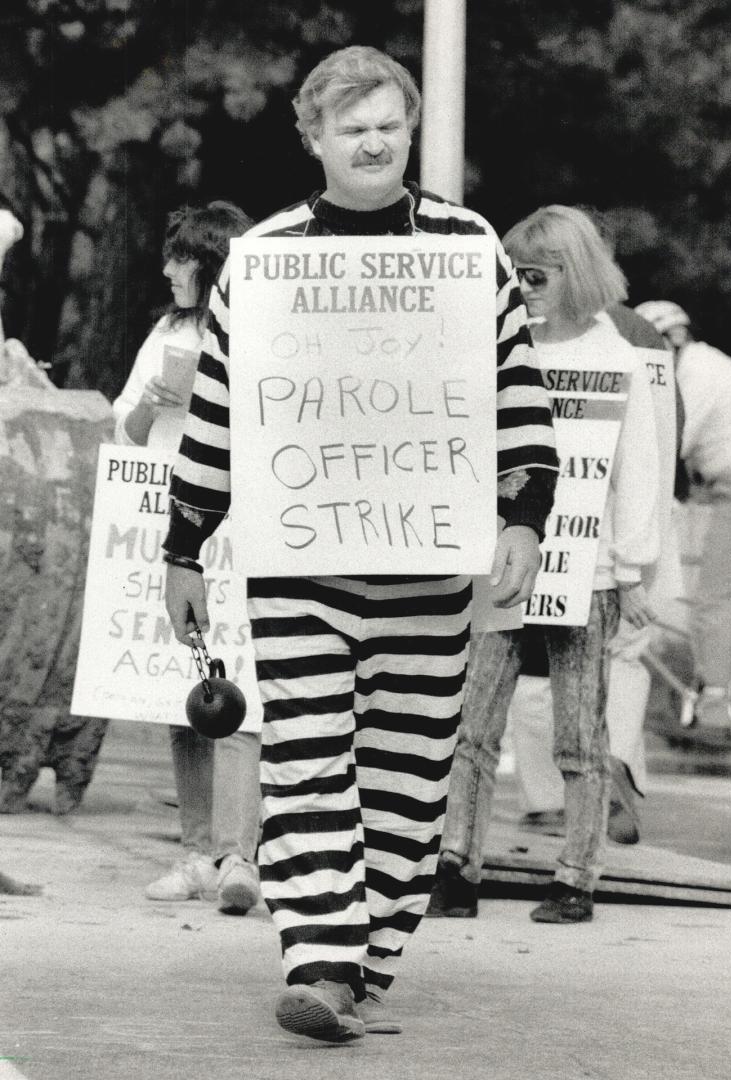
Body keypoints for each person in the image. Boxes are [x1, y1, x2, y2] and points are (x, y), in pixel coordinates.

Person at [162, 46, 558, 1043]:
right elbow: (217, 408)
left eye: (387, 123)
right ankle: (322, 960)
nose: (372, 141)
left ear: (408, 129)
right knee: (304, 758)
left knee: (407, 767)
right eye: (351, 127)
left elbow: (517, 397)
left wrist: (522, 517)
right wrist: (184, 542)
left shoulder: (468, 251)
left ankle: (370, 956)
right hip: (300, 559)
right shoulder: (263, 260)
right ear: (314, 138)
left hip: (427, 559)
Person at [428, 205, 660, 924]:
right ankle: (456, 865)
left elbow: (638, 474)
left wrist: (631, 571)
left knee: (579, 732)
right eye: (514, 275)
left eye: (536, 275)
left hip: (584, 570)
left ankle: (576, 875)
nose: (522, 288)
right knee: (473, 723)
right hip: (500, 558)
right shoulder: (503, 349)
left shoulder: (617, 360)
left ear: (575, 274)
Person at [113, 200, 262, 916]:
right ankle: (195, 849)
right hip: (171, 535)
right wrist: (152, 402)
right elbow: (130, 435)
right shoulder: (165, 333)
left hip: (236, 536)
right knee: (183, 695)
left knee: (241, 695)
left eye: (181, 257)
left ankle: (239, 853)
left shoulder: (260, 330)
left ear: (211, 263)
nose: (169, 268)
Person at [511, 303, 681, 845]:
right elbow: (666, 428)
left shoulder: (535, 327)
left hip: (555, 524)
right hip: (627, 522)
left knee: (535, 667)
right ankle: (614, 765)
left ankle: (547, 799)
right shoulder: (642, 332)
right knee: (624, 658)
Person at [634, 300, 731, 729]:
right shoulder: (706, 366)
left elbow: (668, 445)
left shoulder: (694, 377)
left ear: (675, 339)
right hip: (730, 483)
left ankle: (716, 702)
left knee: (714, 599)